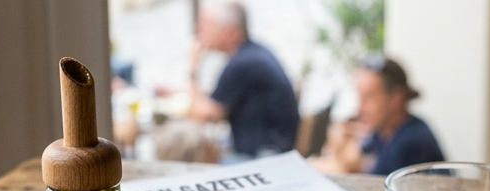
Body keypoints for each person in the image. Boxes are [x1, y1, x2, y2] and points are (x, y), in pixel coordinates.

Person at [187, 1, 299, 160]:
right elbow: (218, 100)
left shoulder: (241, 64)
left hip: (263, 157)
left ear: (229, 32)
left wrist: (192, 68)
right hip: (276, 147)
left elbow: (199, 116)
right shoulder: (254, 53)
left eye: (207, 25)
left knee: (186, 152)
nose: (199, 31)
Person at [312, 57, 444, 176]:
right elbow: (350, 162)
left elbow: (361, 178)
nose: (359, 109)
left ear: (396, 98)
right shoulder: (384, 132)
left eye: (368, 98)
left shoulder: (412, 142)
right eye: (359, 97)